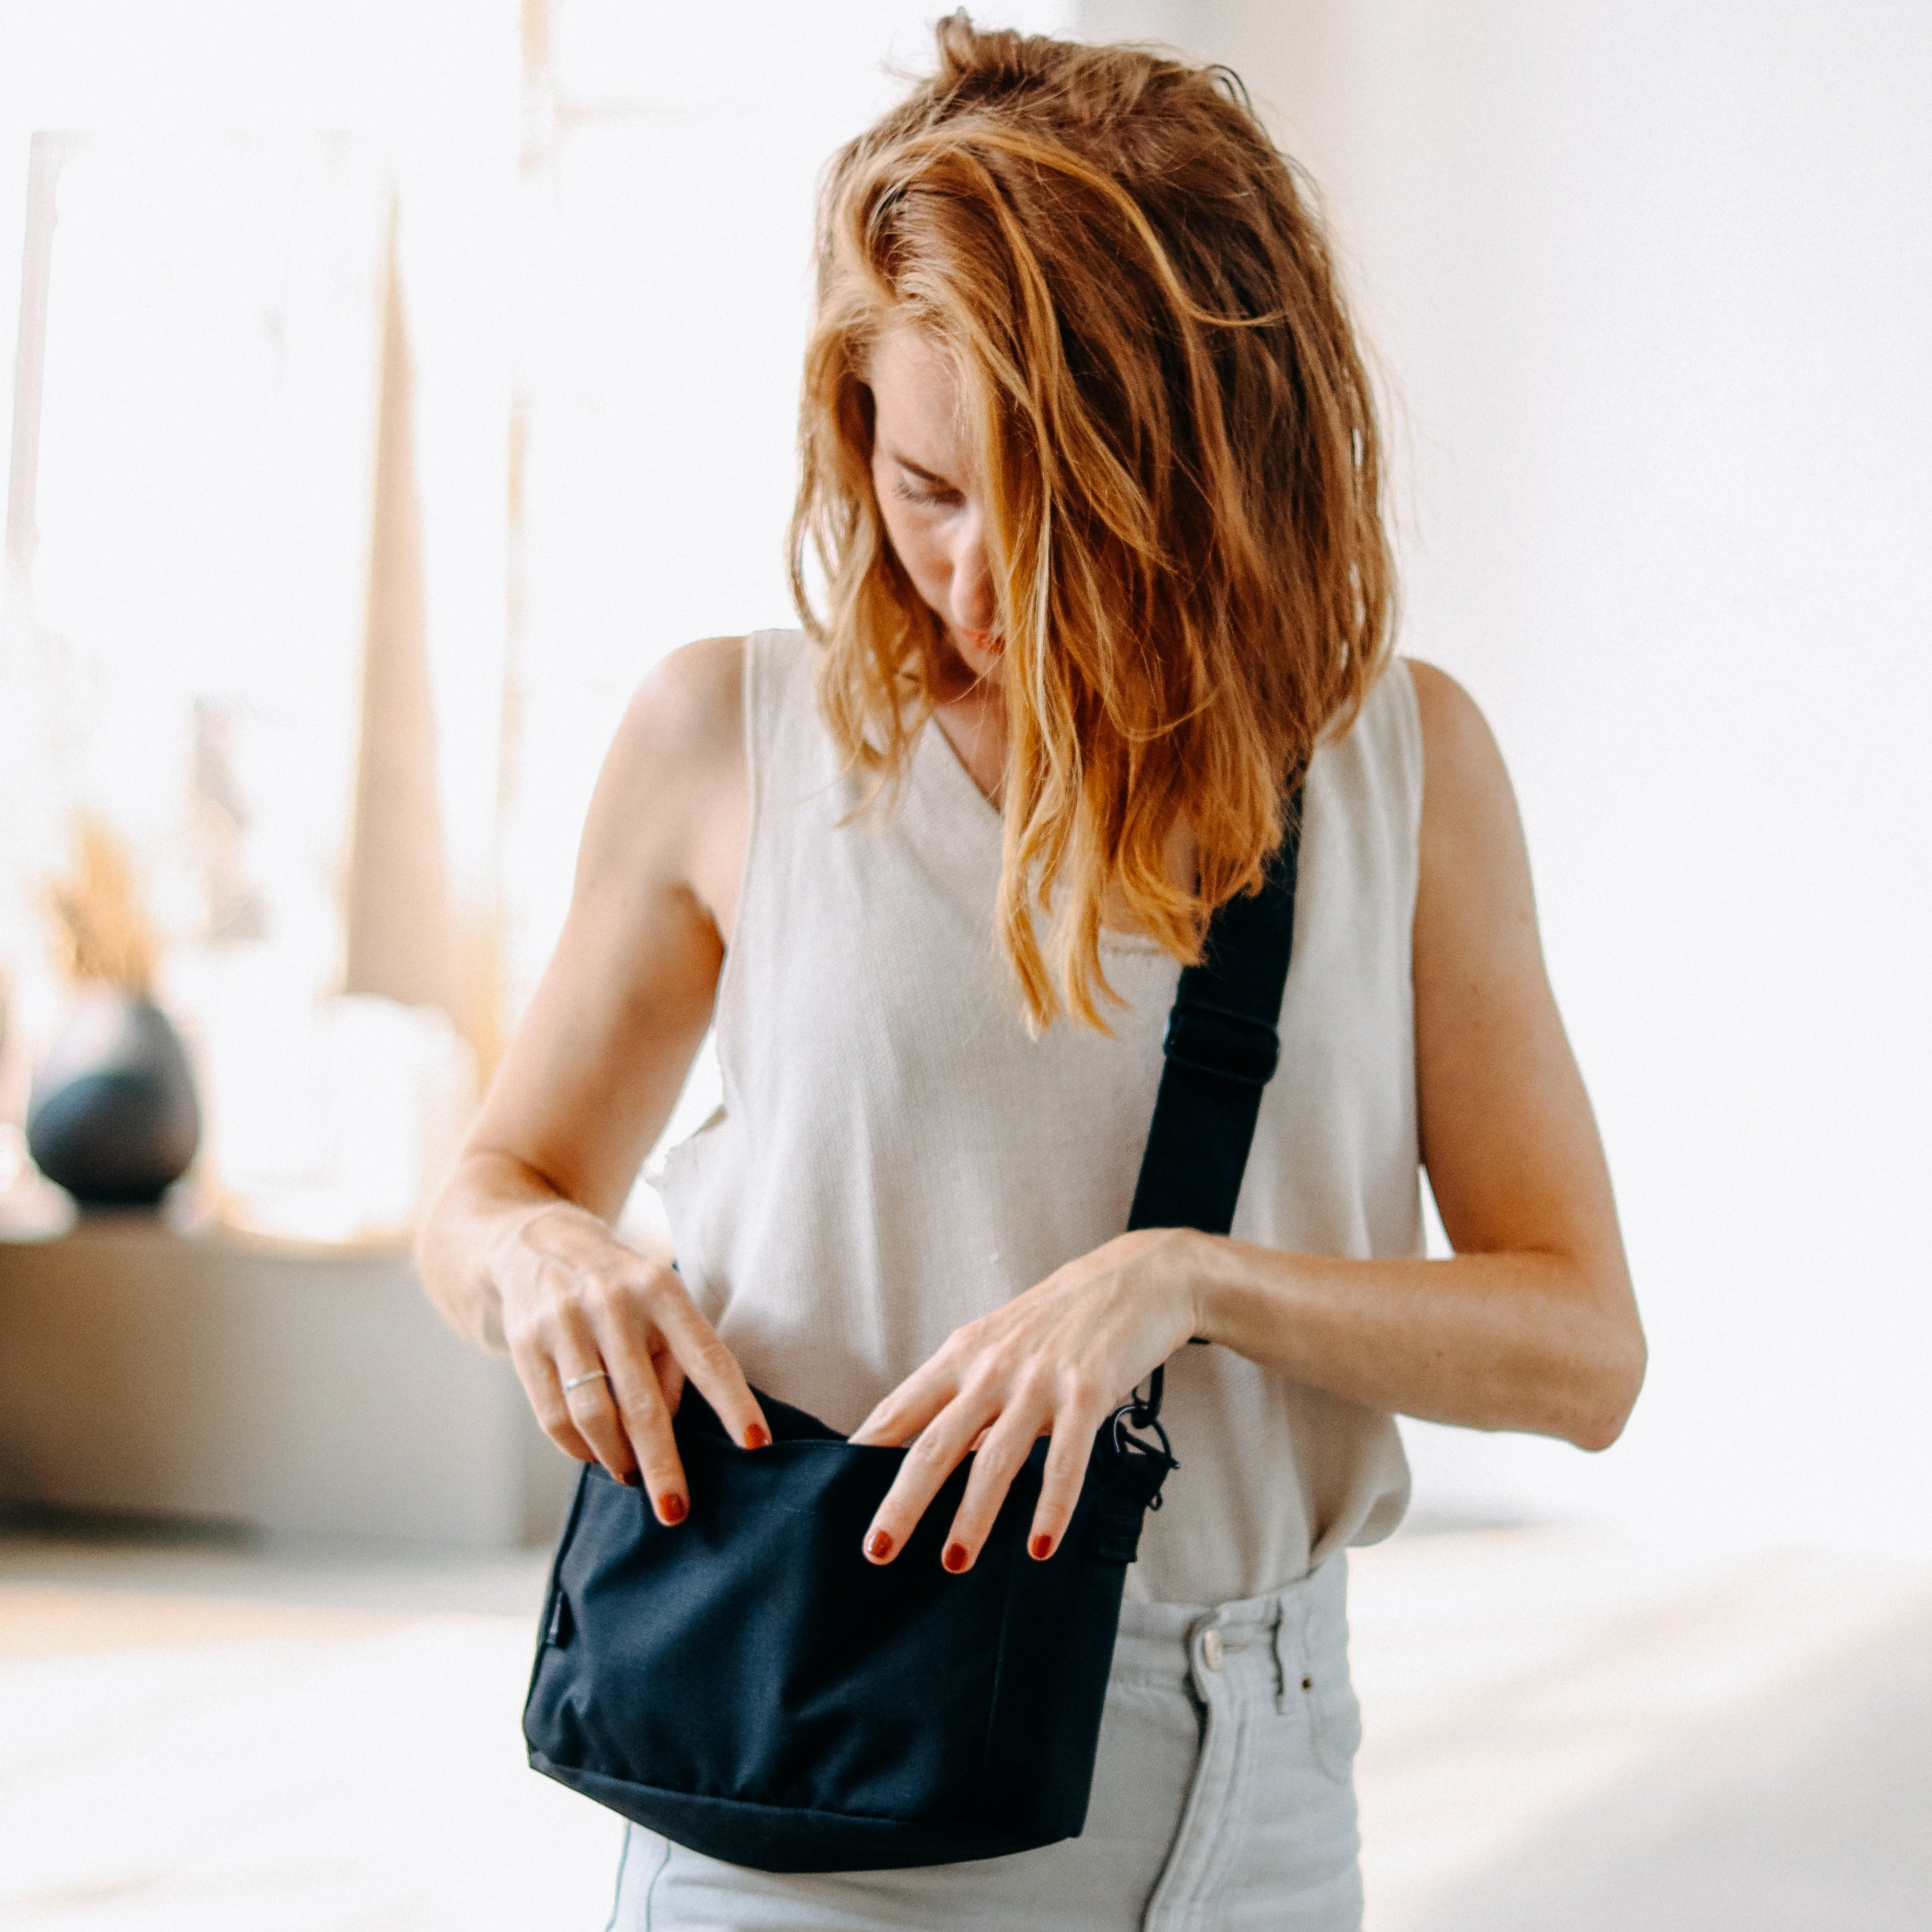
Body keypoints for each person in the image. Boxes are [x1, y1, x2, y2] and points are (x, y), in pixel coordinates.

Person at [418, 15, 1645, 1929]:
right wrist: (538, 1258)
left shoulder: (1404, 769)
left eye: (1049, 501)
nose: (973, 571)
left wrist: (1189, 1283)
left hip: (1262, 1771)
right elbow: (490, 1191)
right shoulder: (724, 740)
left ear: (1209, 470)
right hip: (826, 1760)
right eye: (923, 485)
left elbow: (1581, 1350)